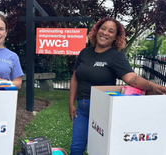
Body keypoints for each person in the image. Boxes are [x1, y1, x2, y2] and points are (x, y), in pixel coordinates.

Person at [69, 17, 166, 155]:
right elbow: (74, 78)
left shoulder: (116, 56)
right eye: (103, 28)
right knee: (76, 148)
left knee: (100, 149)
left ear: (115, 37)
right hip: (82, 109)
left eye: (111, 31)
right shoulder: (85, 52)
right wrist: (71, 103)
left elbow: (132, 78)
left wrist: (151, 85)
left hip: (102, 109)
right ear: (96, 30)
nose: (105, 33)